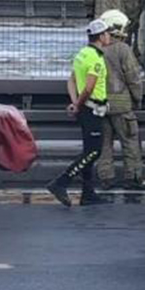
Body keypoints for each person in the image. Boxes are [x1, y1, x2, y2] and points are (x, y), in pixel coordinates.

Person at [47, 19, 115, 207]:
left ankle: (88, 193)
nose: (109, 36)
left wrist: (75, 103)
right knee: (94, 151)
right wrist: (77, 103)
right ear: (101, 36)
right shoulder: (96, 58)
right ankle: (61, 182)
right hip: (92, 109)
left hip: (84, 108)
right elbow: (89, 87)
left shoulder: (81, 54)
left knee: (88, 151)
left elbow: (72, 80)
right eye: (108, 33)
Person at [95, 10, 145, 190]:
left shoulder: (95, 49)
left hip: (99, 105)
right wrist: (138, 98)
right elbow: (133, 77)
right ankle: (133, 178)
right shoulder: (123, 49)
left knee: (104, 144)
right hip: (122, 107)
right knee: (130, 142)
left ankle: (106, 178)